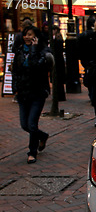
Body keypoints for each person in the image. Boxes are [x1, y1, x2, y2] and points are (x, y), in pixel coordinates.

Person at [12, 25, 53, 164]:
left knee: (32, 124)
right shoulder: (19, 51)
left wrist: (34, 49)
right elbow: (16, 71)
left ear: (36, 37)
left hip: (37, 92)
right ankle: (43, 136)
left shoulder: (43, 51)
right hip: (23, 93)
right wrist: (15, 89)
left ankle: (32, 152)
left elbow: (36, 67)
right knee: (24, 125)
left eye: (30, 34)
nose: (27, 37)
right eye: (25, 34)